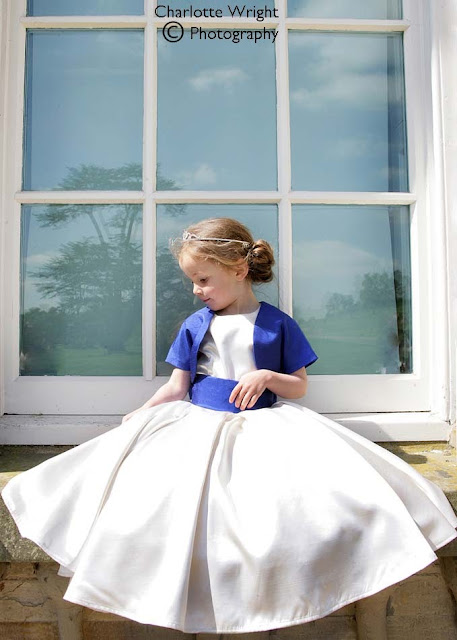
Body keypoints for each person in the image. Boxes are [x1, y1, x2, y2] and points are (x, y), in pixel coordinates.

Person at [2, 217, 457, 634]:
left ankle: (278, 600)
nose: (197, 290)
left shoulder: (277, 324)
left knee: (289, 514)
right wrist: (142, 413)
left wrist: (266, 376)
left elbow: (298, 387)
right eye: (192, 282)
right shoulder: (196, 324)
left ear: (239, 269)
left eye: (203, 280)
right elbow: (178, 385)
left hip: (266, 426)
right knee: (161, 507)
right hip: (198, 424)